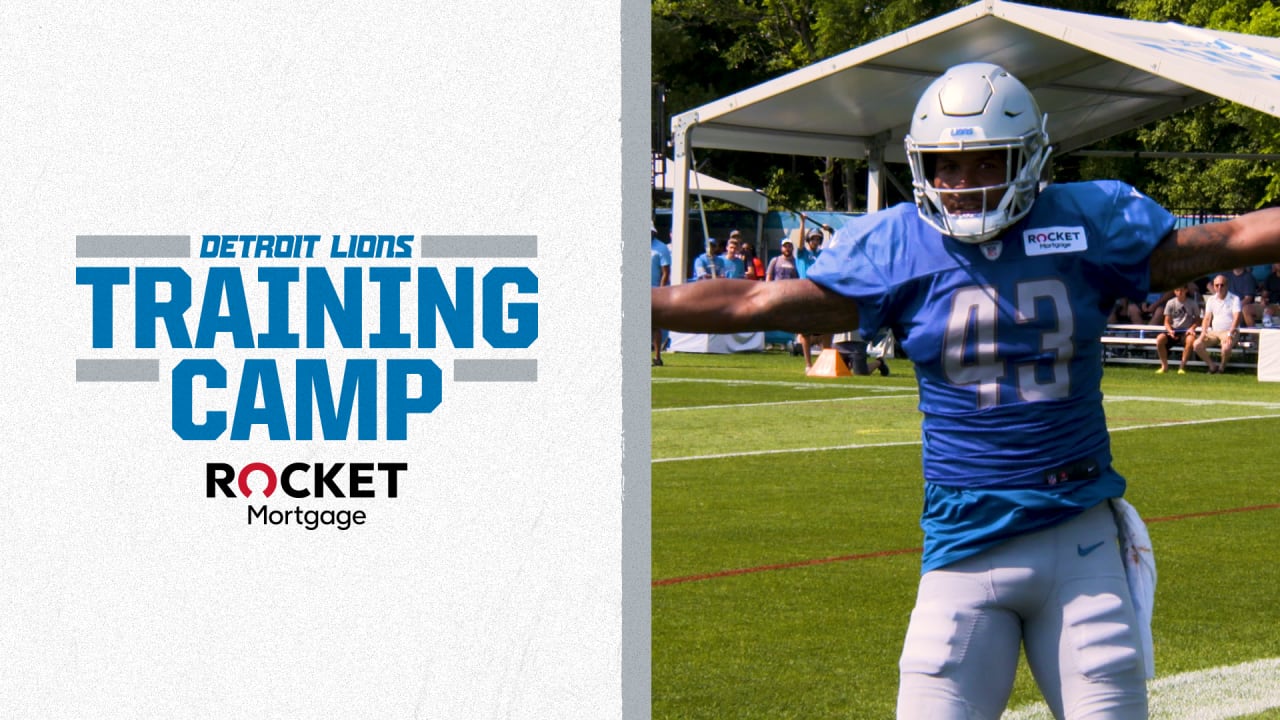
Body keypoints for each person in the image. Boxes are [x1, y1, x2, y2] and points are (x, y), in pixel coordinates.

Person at [652, 62, 1280, 719]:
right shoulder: (901, 245)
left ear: (1028, 159)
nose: (960, 185)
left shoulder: (1088, 224)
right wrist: (632, 303)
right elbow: (754, 300)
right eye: (945, 166)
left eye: (984, 162)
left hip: (1079, 535)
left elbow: (1232, 237)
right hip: (963, 542)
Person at [1193, 274, 1242, 373]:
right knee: (1196, 344)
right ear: (1214, 286)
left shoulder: (1235, 299)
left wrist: (1230, 334)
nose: (1219, 287)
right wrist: (1203, 333)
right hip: (1214, 332)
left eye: (1222, 285)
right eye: (1217, 285)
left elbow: (1237, 318)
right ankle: (1212, 366)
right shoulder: (1211, 300)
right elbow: (1206, 318)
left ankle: (1221, 368)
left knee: (1226, 348)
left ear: (1227, 285)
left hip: (1230, 331)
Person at [1154, 284, 1199, 374]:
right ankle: (1164, 366)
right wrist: (1170, 330)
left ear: (1186, 290)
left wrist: (1192, 328)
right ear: (1174, 291)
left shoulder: (1192, 303)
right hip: (1174, 330)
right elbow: (1166, 321)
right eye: (1177, 290)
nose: (1179, 292)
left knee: (1191, 340)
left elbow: (1198, 320)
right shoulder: (1170, 303)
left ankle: (1182, 367)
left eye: (1181, 290)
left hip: (1186, 331)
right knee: (1160, 339)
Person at [651, 224, 672, 367]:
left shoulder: (661, 247)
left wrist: (661, 291)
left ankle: (657, 357)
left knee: (655, 325)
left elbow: (665, 272)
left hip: (654, 289)